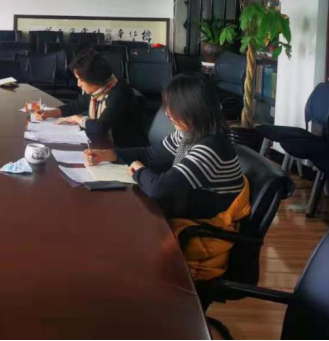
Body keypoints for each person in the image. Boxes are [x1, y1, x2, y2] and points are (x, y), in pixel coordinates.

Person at [85, 74, 250, 280]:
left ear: (192, 110)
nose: (168, 113)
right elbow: (152, 155)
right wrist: (112, 154)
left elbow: (159, 188)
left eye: (173, 108)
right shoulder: (191, 132)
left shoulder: (211, 146)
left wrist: (139, 171)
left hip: (202, 231)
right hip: (185, 213)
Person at [33, 48, 143, 147]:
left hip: (126, 150)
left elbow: (100, 128)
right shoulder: (98, 90)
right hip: (104, 144)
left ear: (95, 79)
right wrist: (50, 113)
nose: (78, 84)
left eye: (81, 80)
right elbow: (76, 106)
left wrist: (78, 119)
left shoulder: (119, 92)